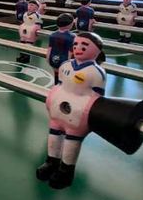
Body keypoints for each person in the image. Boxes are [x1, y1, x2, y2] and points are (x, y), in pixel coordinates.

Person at [38, 32, 106, 189]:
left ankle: (66, 170)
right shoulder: (65, 66)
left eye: (84, 45)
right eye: (76, 44)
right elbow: (60, 85)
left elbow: (97, 97)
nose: (78, 48)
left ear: (96, 50)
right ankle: (51, 161)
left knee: (71, 141)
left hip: (77, 115)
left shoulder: (96, 73)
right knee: (53, 136)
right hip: (58, 110)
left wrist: (85, 112)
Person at [47, 13, 75, 84]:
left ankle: (56, 85)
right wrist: (68, 63)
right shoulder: (72, 36)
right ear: (70, 24)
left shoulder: (53, 35)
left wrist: (48, 59)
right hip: (64, 59)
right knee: (64, 77)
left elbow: (49, 49)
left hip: (53, 58)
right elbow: (70, 52)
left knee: (56, 75)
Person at [17, 0, 42, 64]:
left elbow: (39, 24)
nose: (29, 7)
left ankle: (26, 57)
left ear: (36, 8)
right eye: (29, 5)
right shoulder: (25, 14)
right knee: (22, 43)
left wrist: (35, 30)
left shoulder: (37, 15)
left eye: (32, 5)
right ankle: (21, 55)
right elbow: (24, 21)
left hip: (30, 32)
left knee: (28, 44)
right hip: (24, 31)